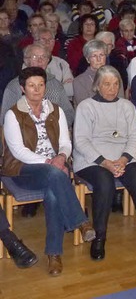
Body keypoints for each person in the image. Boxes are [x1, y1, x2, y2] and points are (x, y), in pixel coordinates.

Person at [3, 67, 95, 275]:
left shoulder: (56, 110)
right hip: (24, 169)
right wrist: (49, 161)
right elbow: (18, 151)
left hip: (56, 167)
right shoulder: (13, 114)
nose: (37, 90)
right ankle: (81, 222)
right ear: (22, 88)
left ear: (46, 86)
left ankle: (54, 255)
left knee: (53, 193)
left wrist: (61, 157)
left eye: (41, 85)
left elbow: (65, 142)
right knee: (55, 175)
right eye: (31, 86)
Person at [73, 65, 136, 260]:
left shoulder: (126, 106)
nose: (112, 88)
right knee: (104, 182)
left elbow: (135, 136)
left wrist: (124, 159)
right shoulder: (86, 106)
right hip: (92, 160)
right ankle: (99, 236)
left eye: (116, 84)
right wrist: (105, 162)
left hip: (124, 157)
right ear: (97, 85)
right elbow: (81, 141)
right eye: (106, 84)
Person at [2, 44, 75, 127]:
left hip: (54, 132)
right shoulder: (14, 86)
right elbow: (5, 118)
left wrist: (58, 127)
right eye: (35, 57)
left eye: (44, 57)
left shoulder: (56, 84)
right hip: (24, 135)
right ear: (26, 60)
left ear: (48, 61)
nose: (40, 60)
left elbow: (68, 111)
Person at [73, 39, 124, 105]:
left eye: (101, 55)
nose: (98, 59)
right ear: (88, 59)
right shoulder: (79, 81)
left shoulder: (115, 75)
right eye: (94, 56)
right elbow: (84, 107)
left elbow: (121, 101)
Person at [33, 27, 73, 99]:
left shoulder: (62, 63)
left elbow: (70, 89)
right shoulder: (30, 62)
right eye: (44, 39)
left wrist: (47, 90)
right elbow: (33, 91)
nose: (47, 42)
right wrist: (61, 85)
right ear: (35, 42)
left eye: (50, 40)